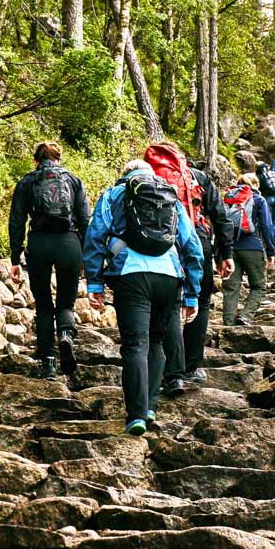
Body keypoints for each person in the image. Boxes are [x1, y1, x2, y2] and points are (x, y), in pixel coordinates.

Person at [83, 160, 204, 436]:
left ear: (125, 175)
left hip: (131, 274)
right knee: (157, 341)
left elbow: (95, 235)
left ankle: (136, 414)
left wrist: (95, 281)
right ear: (152, 176)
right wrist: (193, 293)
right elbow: (192, 244)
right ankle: (150, 406)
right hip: (170, 276)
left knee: (135, 344)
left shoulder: (115, 194)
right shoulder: (171, 195)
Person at [153, 149, 234, 390]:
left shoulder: (146, 176)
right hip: (197, 240)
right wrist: (225, 255)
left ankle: (165, 367)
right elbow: (221, 217)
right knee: (200, 299)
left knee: (167, 303)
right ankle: (190, 366)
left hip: (160, 243)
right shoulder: (197, 176)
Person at [9, 141, 90, 380]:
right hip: (69, 243)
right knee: (66, 302)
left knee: (43, 304)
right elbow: (86, 220)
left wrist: (15, 256)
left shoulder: (27, 182)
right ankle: (65, 334)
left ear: (36, 161)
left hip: (39, 244)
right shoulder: (74, 181)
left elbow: (16, 221)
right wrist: (87, 256)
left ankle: (48, 362)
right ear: (59, 160)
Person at [221, 173, 275, 326]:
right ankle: (245, 316)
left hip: (230, 249)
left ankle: (228, 321)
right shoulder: (258, 199)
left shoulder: (228, 198)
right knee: (259, 286)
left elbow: (218, 225)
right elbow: (267, 226)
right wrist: (271, 251)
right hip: (253, 247)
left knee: (231, 287)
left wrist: (219, 253)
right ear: (255, 185)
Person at [255, 162, 275, 249]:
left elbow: (257, 189)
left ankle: (269, 244)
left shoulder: (259, 176)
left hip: (267, 199)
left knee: (267, 222)